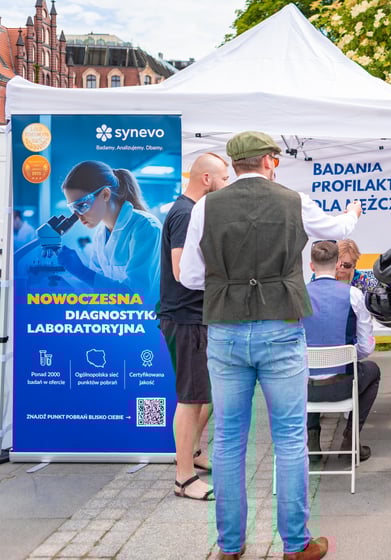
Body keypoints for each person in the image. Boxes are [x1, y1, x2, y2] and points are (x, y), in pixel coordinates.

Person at [179, 131, 362, 560]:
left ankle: (229, 546)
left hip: (224, 329)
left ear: (234, 164)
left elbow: (189, 276)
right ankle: (296, 545)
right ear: (267, 162)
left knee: (226, 440)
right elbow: (337, 231)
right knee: (289, 438)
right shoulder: (293, 200)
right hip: (280, 325)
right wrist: (352, 212)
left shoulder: (206, 206)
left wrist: (229, 279)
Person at [159, 153, 230, 502]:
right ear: (206, 179)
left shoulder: (190, 211)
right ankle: (183, 477)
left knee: (205, 395)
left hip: (195, 318)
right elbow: (180, 271)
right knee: (190, 400)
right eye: (224, 178)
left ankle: (194, 452)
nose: (227, 184)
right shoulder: (186, 214)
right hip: (185, 319)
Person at [304, 240, 381, 463]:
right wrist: (346, 354)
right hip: (343, 387)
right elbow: (366, 348)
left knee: (306, 372)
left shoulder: (298, 295)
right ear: (335, 263)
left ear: (311, 266)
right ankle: (350, 438)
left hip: (303, 392)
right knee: (372, 371)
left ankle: (312, 438)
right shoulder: (354, 296)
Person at [336, 239, 391, 415]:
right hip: (340, 336)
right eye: (338, 264)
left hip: (372, 328)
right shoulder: (323, 280)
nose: (341, 269)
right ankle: (332, 398)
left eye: (347, 265)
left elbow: (385, 308)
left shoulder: (367, 281)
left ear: (355, 263)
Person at [58, 160, 162, 304]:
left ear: (105, 195)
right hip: (117, 320)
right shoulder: (101, 234)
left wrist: (81, 271)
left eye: (81, 205)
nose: (77, 216)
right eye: (73, 209)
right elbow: (96, 286)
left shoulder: (145, 227)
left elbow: (136, 298)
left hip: (149, 322)